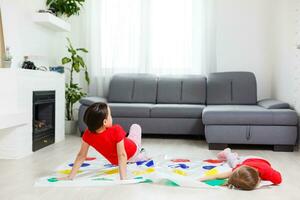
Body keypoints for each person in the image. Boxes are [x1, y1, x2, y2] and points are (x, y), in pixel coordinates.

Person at [59, 102, 147, 180]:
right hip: (133, 151)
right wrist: (123, 178)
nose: (111, 117)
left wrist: (70, 177)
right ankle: (141, 154)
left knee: (126, 142)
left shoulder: (87, 134)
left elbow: (81, 155)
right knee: (135, 127)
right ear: (105, 122)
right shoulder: (116, 129)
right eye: (110, 115)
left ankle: (138, 155)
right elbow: (122, 155)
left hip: (115, 161)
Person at [199, 148, 282, 190]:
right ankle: (231, 155)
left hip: (255, 161)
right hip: (246, 161)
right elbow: (217, 176)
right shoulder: (239, 169)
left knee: (234, 163)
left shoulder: (267, 171)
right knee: (234, 163)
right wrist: (199, 179)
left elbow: (279, 180)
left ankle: (229, 154)